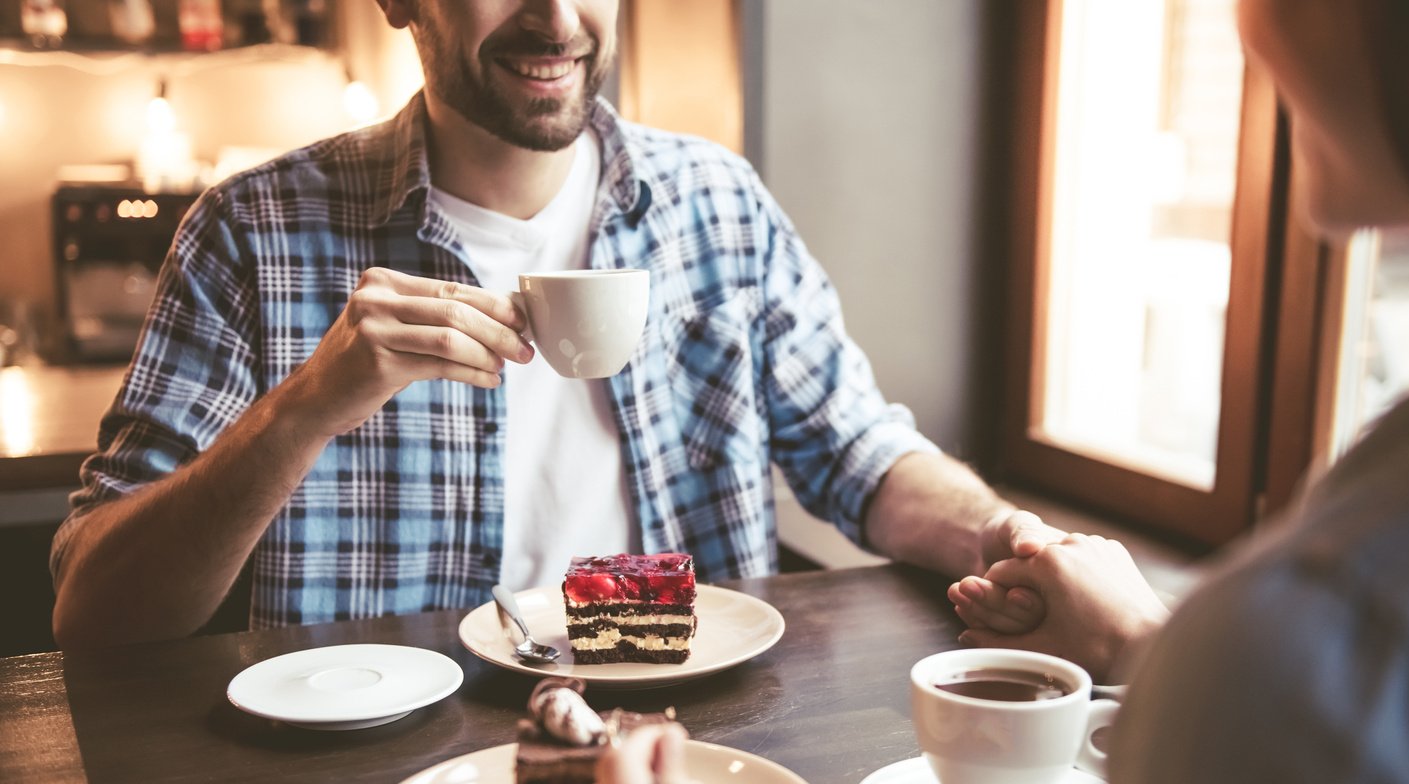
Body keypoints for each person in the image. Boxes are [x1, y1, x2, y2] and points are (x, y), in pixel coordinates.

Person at [531, 0, 1409, 784]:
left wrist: (1014, 539)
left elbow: (857, 445)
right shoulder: (1313, 637)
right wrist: (1148, 646)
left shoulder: (1311, 651)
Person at [48, 0, 1062, 650]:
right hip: (374, 779)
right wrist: (304, 411)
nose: (556, 16)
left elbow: (859, 453)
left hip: (689, 745)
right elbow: (95, 613)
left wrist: (1013, 539)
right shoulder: (253, 230)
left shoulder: (716, 202)